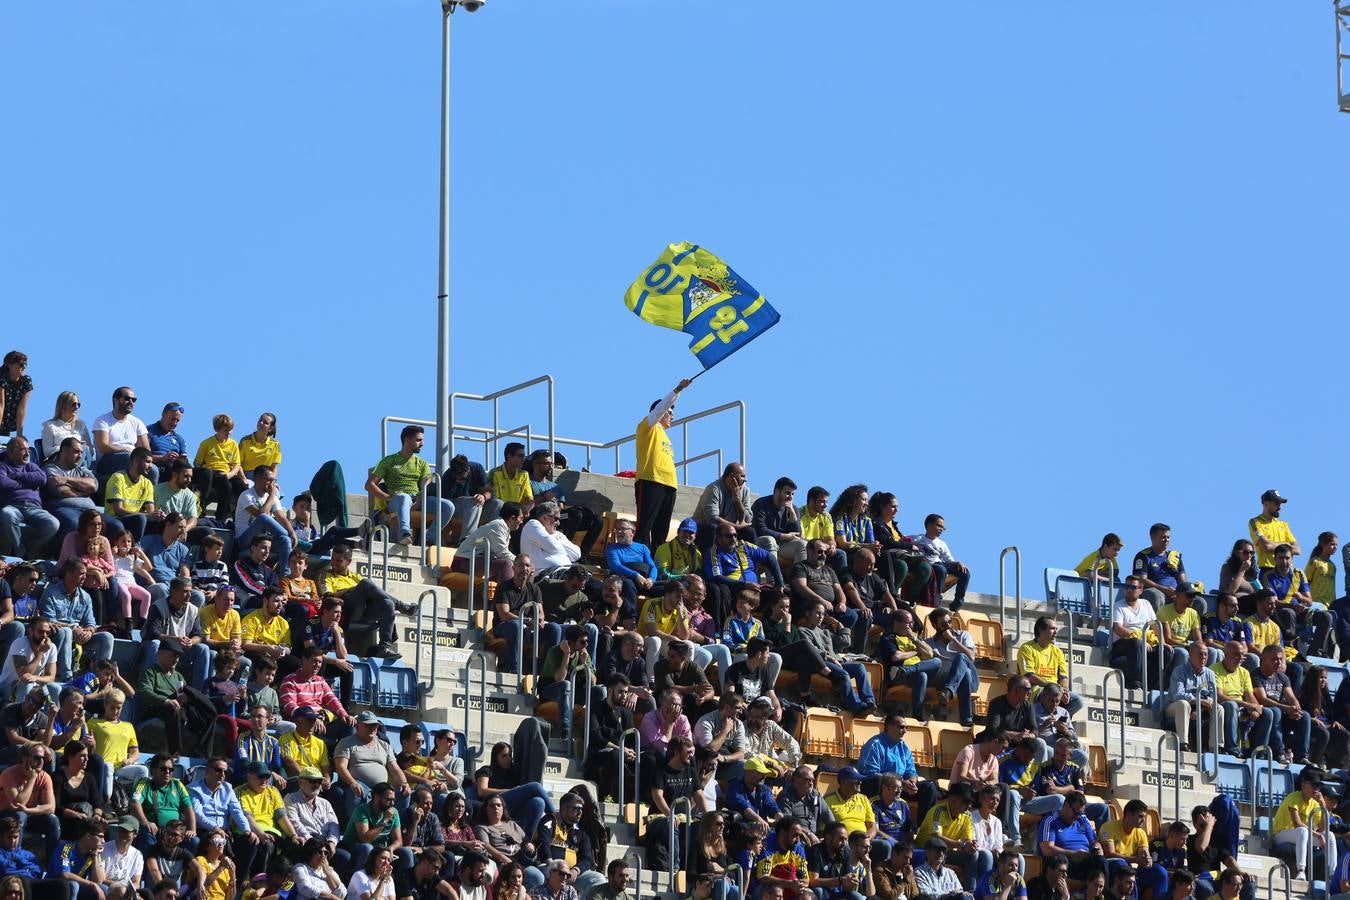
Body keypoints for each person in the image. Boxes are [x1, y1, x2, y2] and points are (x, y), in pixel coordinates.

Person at [366, 426, 456, 546]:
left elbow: (426, 484)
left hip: (417, 500)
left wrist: (419, 499)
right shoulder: (388, 461)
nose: (422, 444)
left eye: (422, 440)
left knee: (448, 506)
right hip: (397, 500)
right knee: (404, 497)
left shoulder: (422, 463)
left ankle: (430, 537)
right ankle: (405, 533)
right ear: (407, 440)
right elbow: (369, 484)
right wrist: (387, 497)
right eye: (418, 440)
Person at [632, 379, 691, 551]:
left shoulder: (665, 436)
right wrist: (678, 390)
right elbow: (661, 407)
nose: (672, 416)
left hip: (669, 485)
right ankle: (640, 564)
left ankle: (657, 566)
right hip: (651, 481)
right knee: (645, 527)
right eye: (669, 412)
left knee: (661, 531)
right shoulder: (647, 426)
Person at [323, 544, 410, 660]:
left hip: (366, 610)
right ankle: (400, 605)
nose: (333, 563)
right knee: (366, 583)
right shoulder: (326, 575)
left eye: (338, 561)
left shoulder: (355, 576)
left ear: (348, 562)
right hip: (346, 609)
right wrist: (351, 590)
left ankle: (384, 647)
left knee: (388, 604)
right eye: (332, 559)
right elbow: (327, 596)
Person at [40, 557, 113, 681]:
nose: (84, 577)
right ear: (69, 573)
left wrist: (89, 632)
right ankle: (67, 677)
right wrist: (72, 628)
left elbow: (91, 623)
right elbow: (49, 621)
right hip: (57, 635)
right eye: (81, 573)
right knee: (66, 632)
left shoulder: (86, 597)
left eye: (85, 573)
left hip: (79, 637)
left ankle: (99, 679)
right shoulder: (50, 593)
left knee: (107, 637)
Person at [797, 602, 875, 715]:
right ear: (808, 614)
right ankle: (855, 705)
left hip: (836, 662)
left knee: (860, 667)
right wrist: (829, 657)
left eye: (823, 614)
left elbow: (845, 643)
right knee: (843, 674)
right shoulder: (802, 631)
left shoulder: (825, 632)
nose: (820, 617)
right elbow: (811, 650)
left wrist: (840, 626)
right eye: (817, 613)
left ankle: (869, 702)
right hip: (821, 663)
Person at [527, 450, 602, 555]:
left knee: (597, 521)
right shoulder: (528, 482)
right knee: (575, 515)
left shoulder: (555, 486)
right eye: (546, 463)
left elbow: (561, 507)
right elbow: (526, 505)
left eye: (551, 464)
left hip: (556, 516)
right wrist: (545, 497)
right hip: (538, 516)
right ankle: (564, 551)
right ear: (536, 464)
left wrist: (555, 504)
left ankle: (583, 554)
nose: (550, 466)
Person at [1265, 542, 1332, 656]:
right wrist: (1293, 606)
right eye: (1281, 558)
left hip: (1299, 610)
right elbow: (1273, 601)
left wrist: (1302, 598)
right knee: (1289, 612)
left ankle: (1314, 651)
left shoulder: (1299, 574)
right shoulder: (1268, 576)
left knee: (1326, 616)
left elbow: (1309, 601)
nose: (1284, 561)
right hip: (1280, 611)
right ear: (1275, 559)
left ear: (1292, 559)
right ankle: (1290, 646)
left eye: (1287, 558)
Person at [916, 782, 987, 889]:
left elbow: (967, 838)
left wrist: (971, 844)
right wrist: (963, 845)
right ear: (952, 799)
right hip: (926, 852)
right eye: (966, 801)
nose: (969, 806)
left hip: (945, 853)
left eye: (970, 802)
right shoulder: (938, 811)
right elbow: (937, 839)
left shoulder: (967, 815)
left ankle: (973, 892)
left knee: (976, 854)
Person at [143, 576, 210, 689]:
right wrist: (175, 639)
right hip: (159, 650)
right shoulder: (158, 607)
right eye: (185, 592)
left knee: (203, 648)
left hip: (179, 651)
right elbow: (152, 633)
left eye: (190, 591)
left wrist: (191, 641)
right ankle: (149, 685)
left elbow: (199, 635)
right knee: (155, 643)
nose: (189, 595)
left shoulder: (193, 610)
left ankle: (200, 693)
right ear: (173, 591)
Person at [1210, 640, 1272, 758]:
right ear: (1226, 655)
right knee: (1231, 705)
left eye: (1242, 655)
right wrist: (1248, 705)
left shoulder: (1244, 672)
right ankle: (1233, 749)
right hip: (1223, 706)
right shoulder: (1214, 670)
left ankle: (1259, 754)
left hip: (1242, 707)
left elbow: (1250, 696)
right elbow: (1219, 696)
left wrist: (1255, 707)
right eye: (1236, 655)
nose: (1240, 658)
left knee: (1267, 713)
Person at [1271, 768, 1335, 881]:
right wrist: (1318, 835)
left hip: (1301, 836)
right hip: (1279, 835)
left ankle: (1331, 874)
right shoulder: (1294, 797)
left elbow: (1322, 828)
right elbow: (1297, 824)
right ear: (1304, 785)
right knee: (1303, 830)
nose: (1316, 789)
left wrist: (1323, 806)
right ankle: (1301, 871)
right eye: (1314, 785)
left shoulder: (1315, 804)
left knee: (1329, 835)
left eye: (1318, 786)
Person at [0, 742, 60, 861]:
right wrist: (32, 778)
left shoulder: (44, 777)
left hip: (29, 814)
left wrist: (29, 810)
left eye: (43, 758)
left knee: (53, 820)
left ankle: (51, 863)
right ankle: (15, 860)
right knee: (20, 815)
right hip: (6, 815)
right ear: (24, 758)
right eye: (37, 757)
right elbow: (18, 802)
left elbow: (51, 807)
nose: (41, 761)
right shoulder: (9, 774)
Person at [867, 493, 931, 604]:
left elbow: (899, 541)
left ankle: (910, 600)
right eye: (893, 506)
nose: (896, 510)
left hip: (901, 555)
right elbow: (886, 542)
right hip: (885, 558)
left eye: (897, 507)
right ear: (882, 507)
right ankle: (892, 597)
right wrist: (909, 546)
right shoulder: (875, 523)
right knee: (901, 566)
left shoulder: (893, 525)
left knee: (925, 567)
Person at [1252, 644, 1311, 764]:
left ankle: (1302, 756)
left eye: (1280, 659)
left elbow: (1292, 697)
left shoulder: (1282, 677)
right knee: (1276, 710)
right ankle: (1280, 753)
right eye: (1275, 659)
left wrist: (1296, 709)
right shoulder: (1256, 675)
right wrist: (1286, 708)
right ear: (1264, 659)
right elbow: (1262, 699)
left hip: (1280, 715)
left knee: (1305, 716)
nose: (1279, 662)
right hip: (1263, 716)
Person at [235, 465, 298, 577]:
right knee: (264, 518)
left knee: (285, 540)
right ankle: (285, 534)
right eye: (269, 480)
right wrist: (272, 495)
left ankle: (285, 576)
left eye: (274, 480)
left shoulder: (272, 498)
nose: (272, 484)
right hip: (245, 541)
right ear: (257, 479)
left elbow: (282, 517)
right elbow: (262, 515)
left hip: (264, 542)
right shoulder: (246, 495)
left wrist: (292, 533)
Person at [0, 437, 58, 558]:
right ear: (11, 451)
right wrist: (29, 483)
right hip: (13, 506)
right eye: (23, 450)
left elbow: (42, 479)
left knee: (53, 524)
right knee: (7, 514)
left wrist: (17, 475)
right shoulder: (3, 467)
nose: (27, 453)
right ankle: (20, 551)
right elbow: (3, 483)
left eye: (28, 450)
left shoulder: (31, 466)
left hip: (34, 508)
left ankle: (30, 548)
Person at [878, 609, 940, 720]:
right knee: (922, 675)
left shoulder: (914, 636)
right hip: (896, 675)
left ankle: (917, 715)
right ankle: (904, 671)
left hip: (908, 673)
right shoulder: (888, 637)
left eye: (912, 623)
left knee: (936, 662)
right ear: (897, 623)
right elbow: (896, 656)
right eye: (908, 623)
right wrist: (916, 652)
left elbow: (929, 654)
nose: (911, 626)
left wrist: (914, 639)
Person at [1018, 617, 1084, 718]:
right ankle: (1043, 723)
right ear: (1041, 629)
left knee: (1077, 701)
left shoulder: (1057, 651)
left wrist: (1064, 691)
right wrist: (1052, 687)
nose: (1055, 632)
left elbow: (1063, 676)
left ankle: (1060, 723)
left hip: (1056, 689)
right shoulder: (1027, 648)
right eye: (1052, 629)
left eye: (1056, 629)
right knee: (1051, 694)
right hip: (1036, 688)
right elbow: (1029, 676)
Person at [1099, 799, 1166, 899]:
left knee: (1160, 871)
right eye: (1140, 816)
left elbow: (1144, 854)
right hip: (1114, 868)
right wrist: (1135, 860)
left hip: (1133, 867)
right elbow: (1109, 853)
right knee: (1125, 867)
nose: (1143, 820)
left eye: (1144, 817)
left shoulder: (1141, 833)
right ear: (1129, 814)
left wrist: (1147, 860)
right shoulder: (1108, 827)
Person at [42, 436, 104, 541]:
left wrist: (66, 479)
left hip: (90, 512)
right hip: (63, 509)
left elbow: (93, 486)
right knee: (75, 524)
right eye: (76, 452)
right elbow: (60, 491)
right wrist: (84, 491)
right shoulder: (50, 468)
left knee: (116, 526)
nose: (80, 456)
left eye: (81, 452)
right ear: (64, 451)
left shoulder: (83, 470)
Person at [1165, 642, 1220, 753]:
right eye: (1200, 654)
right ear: (1191, 655)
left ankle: (1215, 747)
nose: (1204, 657)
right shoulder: (1179, 671)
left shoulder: (1210, 674)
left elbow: (1213, 696)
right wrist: (1200, 701)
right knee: (1183, 704)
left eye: (1205, 654)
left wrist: (1200, 709)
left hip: (1200, 707)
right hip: (1175, 707)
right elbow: (1178, 695)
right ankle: (1183, 743)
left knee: (1219, 708)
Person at [1036, 792, 1102, 881]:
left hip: (1084, 860)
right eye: (1076, 813)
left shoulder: (1083, 820)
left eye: (1081, 813)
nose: (1078, 817)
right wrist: (1075, 854)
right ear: (1066, 805)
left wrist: (1097, 848)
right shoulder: (1050, 821)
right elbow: (1047, 850)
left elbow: (1094, 842)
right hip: (1065, 862)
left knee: (1102, 861)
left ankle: (1103, 893)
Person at [453, 500, 521, 585]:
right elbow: (502, 553)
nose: (521, 521)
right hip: (462, 563)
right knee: (507, 564)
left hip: (474, 560)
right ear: (512, 518)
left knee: (513, 569)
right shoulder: (497, 526)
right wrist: (521, 562)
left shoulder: (503, 528)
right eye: (521, 518)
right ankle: (505, 596)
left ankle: (498, 596)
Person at [1109, 577, 1159, 691]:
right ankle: (1135, 684)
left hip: (1145, 643)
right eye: (1126, 587)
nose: (1128, 590)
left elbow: (1155, 626)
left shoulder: (1146, 604)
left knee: (1167, 652)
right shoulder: (1118, 605)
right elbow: (1118, 628)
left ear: (1141, 590)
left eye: (1132, 587)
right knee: (1136, 643)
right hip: (1123, 643)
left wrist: (1163, 643)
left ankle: (1154, 686)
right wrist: (1139, 639)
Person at [92, 388, 151, 483]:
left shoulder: (137, 422)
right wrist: (125, 450)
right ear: (116, 400)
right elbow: (103, 446)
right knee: (128, 459)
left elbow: (146, 449)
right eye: (127, 398)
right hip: (107, 460)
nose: (131, 402)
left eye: (134, 400)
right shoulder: (102, 420)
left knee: (154, 470)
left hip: (133, 458)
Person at [914, 514, 970, 611]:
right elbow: (903, 540)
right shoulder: (918, 539)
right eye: (939, 526)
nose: (941, 529)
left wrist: (958, 563)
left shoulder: (941, 544)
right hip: (929, 565)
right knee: (941, 569)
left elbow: (949, 560)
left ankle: (958, 601)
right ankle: (936, 600)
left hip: (940, 563)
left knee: (964, 572)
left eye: (943, 528)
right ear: (928, 525)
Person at [1131, 524, 1186, 610]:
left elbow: (1183, 580)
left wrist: (1181, 593)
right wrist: (1164, 589)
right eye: (1163, 537)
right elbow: (1141, 580)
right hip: (1153, 593)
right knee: (1157, 595)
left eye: (1168, 537)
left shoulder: (1175, 557)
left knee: (1198, 601)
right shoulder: (1143, 556)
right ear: (1152, 538)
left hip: (1175, 594)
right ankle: (1156, 623)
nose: (1166, 540)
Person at [755, 817, 811, 900]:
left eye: (799, 836)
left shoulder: (798, 847)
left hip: (792, 889)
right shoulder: (768, 845)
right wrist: (789, 884)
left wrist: (800, 884)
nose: (798, 840)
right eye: (795, 836)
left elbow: (805, 879)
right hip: (769, 889)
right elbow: (763, 878)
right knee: (774, 893)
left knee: (808, 895)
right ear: (783, 834)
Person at [752, 477, 806, 562]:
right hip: (760, 543)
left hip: (781, 545)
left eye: (792, 494)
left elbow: (797, 535)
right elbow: (760, 530)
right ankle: (774, 575)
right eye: (788, 493)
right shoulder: (761, 504)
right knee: (770, 540)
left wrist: (792, 513)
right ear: (777, 491)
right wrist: (784, 536)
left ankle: (799, 574)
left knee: (803, 544)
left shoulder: (793, 508)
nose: (790, 498)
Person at [53, 821, 107, 900]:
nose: (103, 841)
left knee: (103, 888)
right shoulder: (66, 848)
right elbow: (65, 875)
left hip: (77, 888)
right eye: (100, 836)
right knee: (73, 885)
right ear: (88, 836)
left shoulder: (93, 852)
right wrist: (91, 884)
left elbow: (98, 881)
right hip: (55, 888)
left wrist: (95, 855)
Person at [1248, 490, 1298, 576]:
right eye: (1277, 504)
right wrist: (1286, 544)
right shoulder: (1255, 522)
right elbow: (1266, 546)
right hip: (1268, 570)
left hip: (1287, 571)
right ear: (1266, 504)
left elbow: (1297, 549)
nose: (1280, 507)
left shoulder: (1283, 524)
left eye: (1280, 504)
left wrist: (1273, 544)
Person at [486, 443, 534, 522]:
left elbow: (530, 500)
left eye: (524, 456)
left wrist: (527, 508)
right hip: (501, 514)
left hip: (517, 515)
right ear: (509, 456)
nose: (523, 459)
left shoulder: (524, 474)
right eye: (520, 456)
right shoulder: (495, 473)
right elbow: (496, 500)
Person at [146, 403, 189, 476]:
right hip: (156, 467)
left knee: (204, 473)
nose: (174, 423)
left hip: (175, 469)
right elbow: (142, 456)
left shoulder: (179, 439)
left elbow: (185, 462)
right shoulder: (147, 431)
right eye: (172, 419)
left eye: (177, 421)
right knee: (170, 468)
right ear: (163, 414)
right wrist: (163, 458)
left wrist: (180, 459)